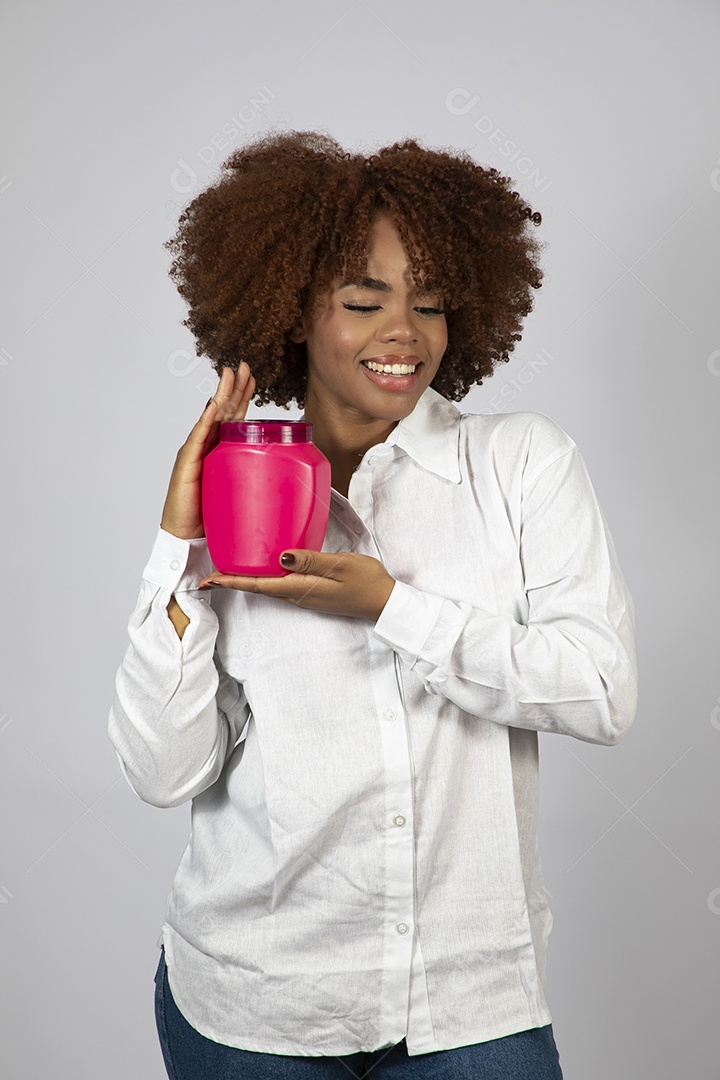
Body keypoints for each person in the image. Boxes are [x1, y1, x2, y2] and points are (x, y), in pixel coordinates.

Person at [109, 131, 637, 1079]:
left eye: (429, 303)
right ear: (291, 311)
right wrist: (175, 553)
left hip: (471, 1001)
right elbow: (166, 772)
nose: (406, 331)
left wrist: (394, 608)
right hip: (260, 1003)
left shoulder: (520, 464)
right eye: (364, 300)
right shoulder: (239, 495)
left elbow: (600, 690)